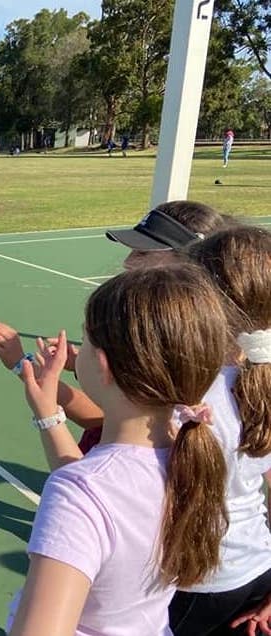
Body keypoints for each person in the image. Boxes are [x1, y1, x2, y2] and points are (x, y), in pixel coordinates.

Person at [0, 265, 228, 635]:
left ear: (102, 365)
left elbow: (91, 497)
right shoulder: (190, 450)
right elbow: (101, 498)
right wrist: (49, 415)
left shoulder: (82, 492)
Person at [0, 201, 230, 454]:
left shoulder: (181, 365)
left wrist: (30, 376)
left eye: (142, 253)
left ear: (189, 261)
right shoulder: (197, 343)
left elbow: (102, 423)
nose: (127, 262)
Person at [168, 226, 271, 636]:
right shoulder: (259, 380)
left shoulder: (191, 392)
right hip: (259, 567)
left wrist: (49, 411)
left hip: (197, 579)